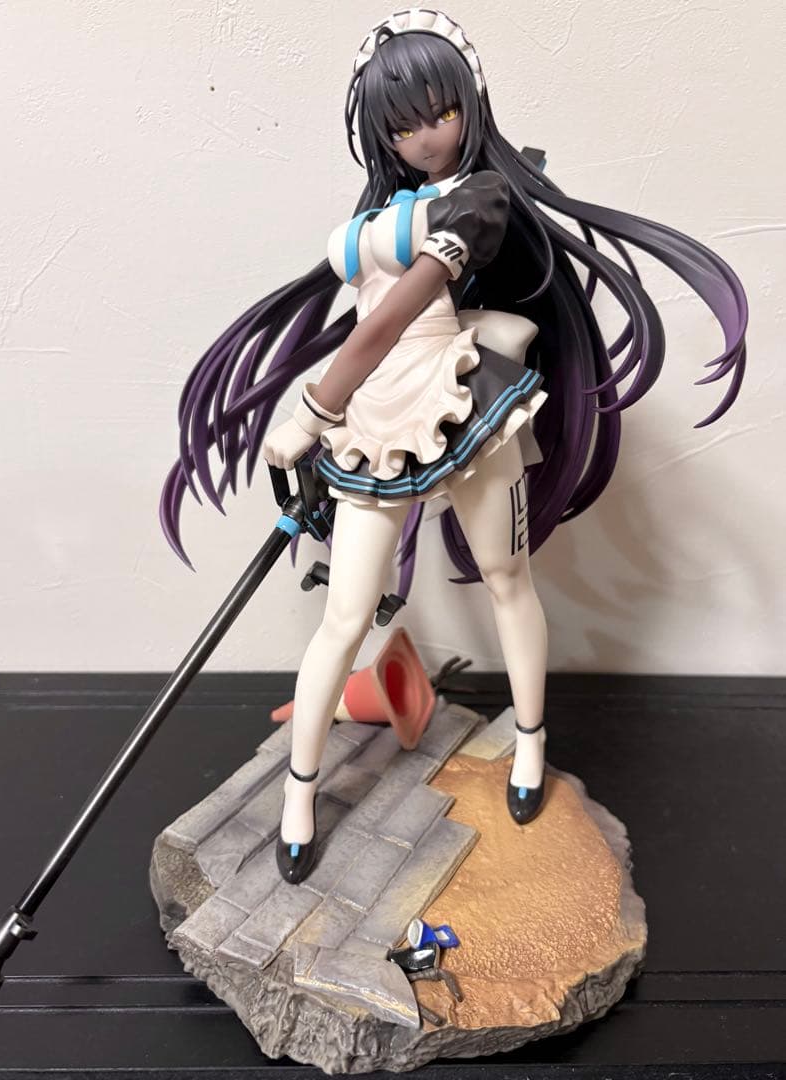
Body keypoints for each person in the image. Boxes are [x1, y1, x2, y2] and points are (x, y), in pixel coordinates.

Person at [160, 10, 748, 885]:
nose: (425, 135)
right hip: (374, 418)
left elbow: (393, 316)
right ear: (380, 135)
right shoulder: (379, 212)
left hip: (459, 399)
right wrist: (328, 409)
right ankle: (299, 793)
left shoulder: (481, 198)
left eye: (440, 111)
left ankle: (528, 743)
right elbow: (360, 317)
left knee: (508, 578)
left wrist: (313, 409)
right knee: (343, 615)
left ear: (470, 103)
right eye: (402, 124)